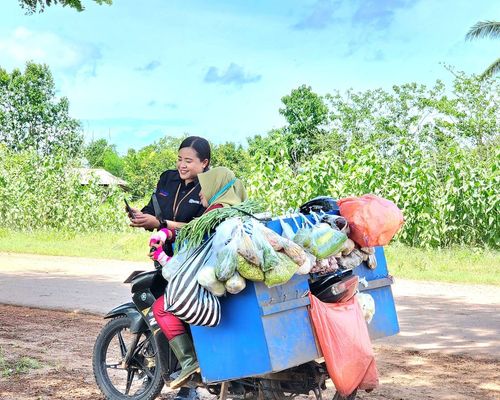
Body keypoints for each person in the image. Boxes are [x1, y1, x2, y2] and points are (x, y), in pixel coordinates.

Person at [128, 136, 211, 400]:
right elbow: (153, 210)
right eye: (179, 159)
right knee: (169, 314)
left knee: (175, 312)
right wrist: (142, 218)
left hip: (191, 263)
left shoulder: (209, 187)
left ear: (204, 163)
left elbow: (203, 227)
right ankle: (184, 380)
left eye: (189, 161)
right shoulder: (167, 179)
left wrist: (161, 222)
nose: (182, 165)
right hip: (165, 259)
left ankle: (189, 387)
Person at [149, 167, 247, 390]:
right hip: (224, 281)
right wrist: (169, 232)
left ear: (215, 188)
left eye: (203, 189)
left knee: (162, 308)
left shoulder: (216, 212)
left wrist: (163, 257)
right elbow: (193, 231)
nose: (199, 194)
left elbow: (192, 250)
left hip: (207, 282)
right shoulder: (235, 210)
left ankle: (188, 361)